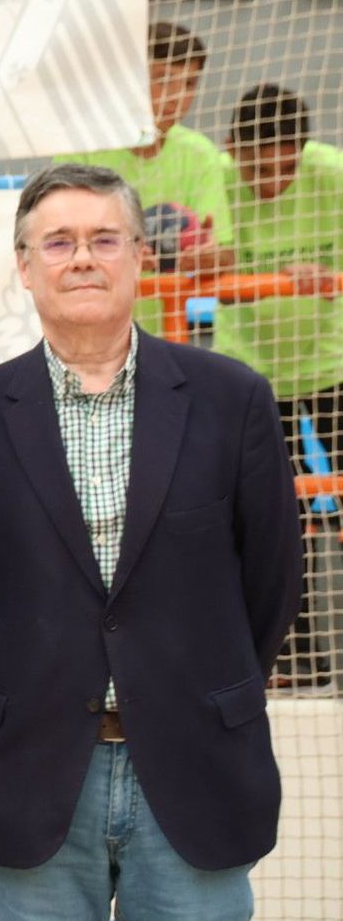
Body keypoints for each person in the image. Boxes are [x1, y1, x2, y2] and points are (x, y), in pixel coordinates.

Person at [0, 162, 302, 920]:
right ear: (25, 269)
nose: (84, 258)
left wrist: (189, 682)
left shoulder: (234, 401)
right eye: (58, 243)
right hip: (32, 771)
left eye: (104, 238)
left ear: (140, 256)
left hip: (196, 765)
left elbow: (272, 581)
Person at [213, 84, 343, 684]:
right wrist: (273, 275)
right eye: (258, 164)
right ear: (232, 149)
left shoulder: (332, 174)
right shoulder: (214, 179)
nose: (272, 177)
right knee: (274, 524)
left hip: (331, 363)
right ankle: (290, 658)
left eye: (285, 163)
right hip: (253, 375)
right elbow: (195, 260)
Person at [56, 22, 228, 334]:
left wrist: (207, 256)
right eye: (163, 80)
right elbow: (57, 245)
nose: (177, 97)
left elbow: (224, 254)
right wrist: (116, 253)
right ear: (130, 81)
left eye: (189, 83)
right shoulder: (83, 150)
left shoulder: (201, 154)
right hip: (88, 330)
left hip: (167, 336)